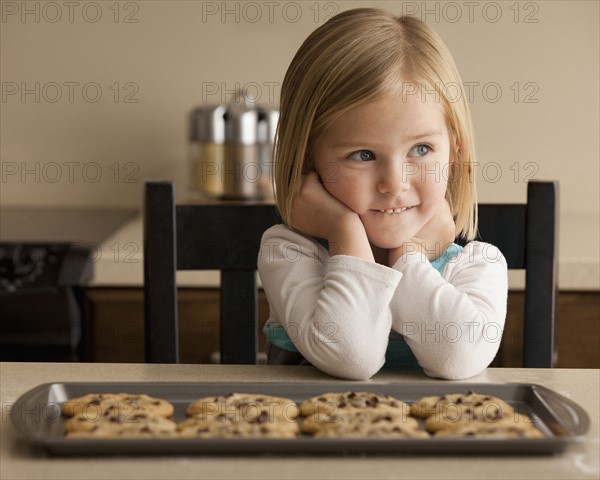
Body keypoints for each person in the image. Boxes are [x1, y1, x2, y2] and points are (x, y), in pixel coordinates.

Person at [257, 8, 508, 381]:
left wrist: (410, 256)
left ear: (452, 154)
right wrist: (345, 231)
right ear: (309, 159)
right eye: (364, 155)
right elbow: (351, 357)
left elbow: (457, 357)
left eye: (421, 150)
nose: (395, 183)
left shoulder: (477, 266)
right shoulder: (290, 252)